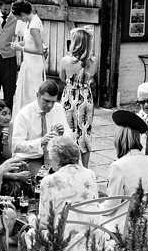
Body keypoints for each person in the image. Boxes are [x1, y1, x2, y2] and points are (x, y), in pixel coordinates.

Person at [11, 80, 71, 177]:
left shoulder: (58, 109)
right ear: (37, 95)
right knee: (46, 180)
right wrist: (40, 142)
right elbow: (15, 145)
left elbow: (70, 137)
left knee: (71, 177)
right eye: (46, 101)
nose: (50, 105)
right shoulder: (24, 114)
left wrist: (63, 134)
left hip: (54, 157)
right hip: (31, 158)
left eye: (53, 102)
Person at [60, 27, 97, 167]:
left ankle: (69, 163)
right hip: (85, 97)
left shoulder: (65, 60)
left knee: (69, 129)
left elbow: (62, 78)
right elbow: (91, 76)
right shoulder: (93, 61)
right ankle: (85, 167)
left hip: (69, 95)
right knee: (85, 132)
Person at [0, 99, 27, 197]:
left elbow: (7, 156)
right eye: (4, 114)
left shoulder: (9, 126)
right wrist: (14, 176)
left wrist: (5, 142)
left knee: (22, 166)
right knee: (14, 185)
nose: (8, 117)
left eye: (10, 114)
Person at [10, 0, 46, 114]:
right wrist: (18, 44)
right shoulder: (31, 21)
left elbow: (40, 50)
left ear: (22, 14)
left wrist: (21, 49)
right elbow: (29, 41)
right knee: (25, 93)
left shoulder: (34, 26)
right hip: (28, 63)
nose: (18, 19)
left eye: (18, 17)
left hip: (34, 65)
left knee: (31, 93)